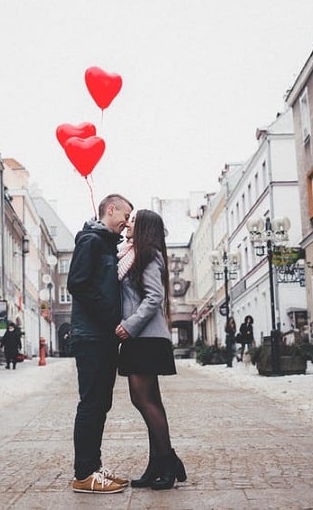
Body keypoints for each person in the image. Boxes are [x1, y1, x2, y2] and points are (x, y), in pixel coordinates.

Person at [115, 209, 187, 491]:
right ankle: (159, 463)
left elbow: (154, 296)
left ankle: (167, 462)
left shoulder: (149, 255)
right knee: (149, 401)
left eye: (132, 221)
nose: (127, 224)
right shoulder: (130, 254)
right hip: (140, 337)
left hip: (145, 336)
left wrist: (129, 325)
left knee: (144, 401)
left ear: (144, 227)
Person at [67, 193, 133, 494]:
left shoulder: (106, 244)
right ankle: (84, 473)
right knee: (92, 403)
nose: (127, 222)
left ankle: (94, 467)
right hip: (91, 335)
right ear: (110, 209)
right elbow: (77, 284)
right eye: (125, 215)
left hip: (102, 336)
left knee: (100, 403)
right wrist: (110, 318)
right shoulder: (91, 241)